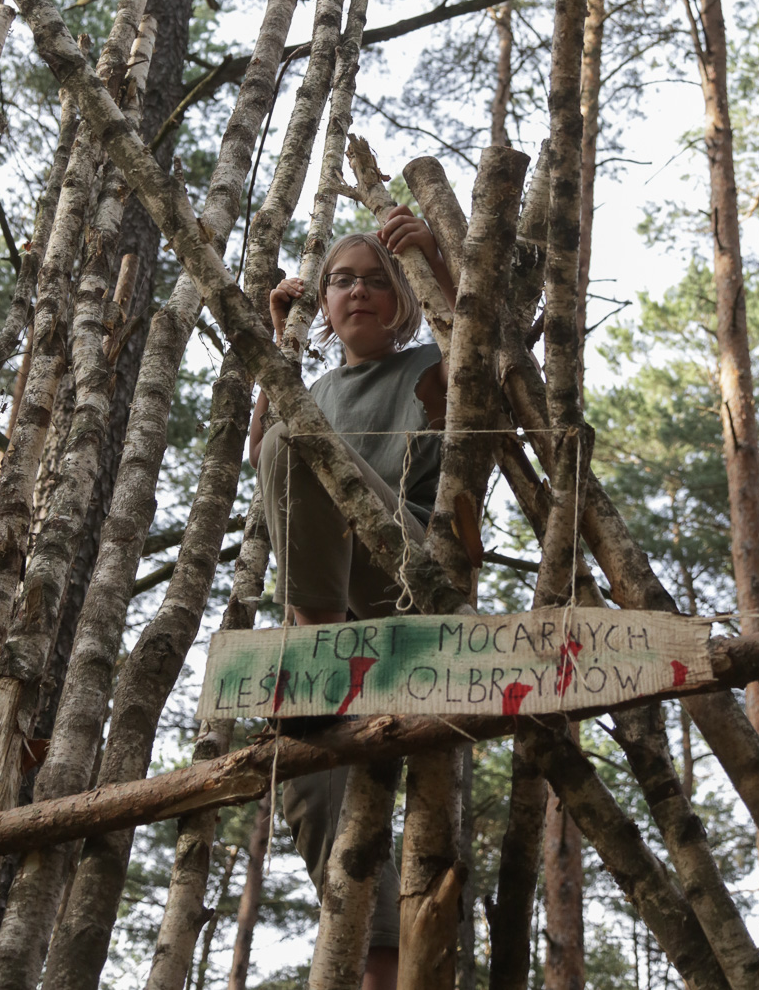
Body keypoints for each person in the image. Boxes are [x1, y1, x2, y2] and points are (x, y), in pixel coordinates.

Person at [249, 206, 455, 990]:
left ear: (405, 298)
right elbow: (264, 461)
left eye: (376, 280)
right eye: (340, 281)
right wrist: (282, 343)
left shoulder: (432, 363)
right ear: (324, 305)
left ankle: (316, 650)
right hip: (335, 602)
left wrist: (438, 263)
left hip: (405, 573)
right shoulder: (317, 390)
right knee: (310, 785)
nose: (358, 291)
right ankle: (382, 972)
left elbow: (489, 358)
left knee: (297, 438)